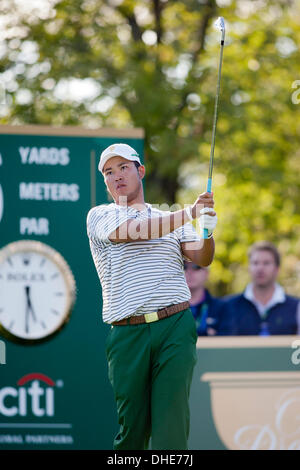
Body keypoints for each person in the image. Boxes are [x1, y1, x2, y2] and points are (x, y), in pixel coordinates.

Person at [86, 143, 218, 450]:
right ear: (105, 181)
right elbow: (133, 231)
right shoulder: (101, 216)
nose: (116, 175)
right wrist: (190, 212)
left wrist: (207, 231)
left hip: (174, 325)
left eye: (123, 167)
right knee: (132, 430)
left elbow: (202, 257)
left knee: (171, 427)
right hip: (127, 332)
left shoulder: (169, 218)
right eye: (109, 171)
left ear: (139, 171)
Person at [219, 241, 300, 335]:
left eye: (266, 263)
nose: (260, 268)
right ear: (249, 268)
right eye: (255, 263)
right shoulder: (228, 306)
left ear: (277, 269)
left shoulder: (296, 307)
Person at [184, 262, 224, 336]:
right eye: (184, 267)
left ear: (207, 273)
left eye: (196, 267)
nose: (190, 272)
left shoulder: (223, 308)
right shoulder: (167, 308)